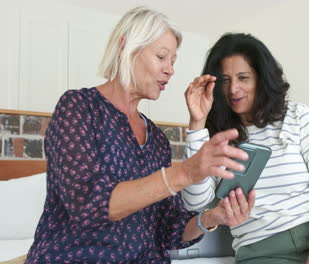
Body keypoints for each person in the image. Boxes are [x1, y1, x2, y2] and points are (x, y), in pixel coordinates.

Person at [25, 8, 255, 264]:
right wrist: (185, 172)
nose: (170, 70)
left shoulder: (157, 139)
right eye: (161, 57)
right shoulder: (78, 107)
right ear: (126, 47)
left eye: (173, 62)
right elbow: (88, 205)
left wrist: (212, 217)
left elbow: (170, 231)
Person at [182, 33, 309, 264]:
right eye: (225, 80)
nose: (233, 89)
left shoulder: (297, 116)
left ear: (261, 79)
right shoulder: (214, 138)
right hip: (261, 250)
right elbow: (194, 203)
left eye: (244, 77)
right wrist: (196, 124)